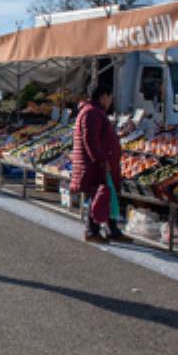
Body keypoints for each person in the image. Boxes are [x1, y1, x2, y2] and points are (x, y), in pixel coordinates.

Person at [70, 83, 127, 244]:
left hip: (98, 162)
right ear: (103, 97)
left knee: (108, 196)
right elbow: (91, 140)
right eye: (110, 98)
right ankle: (92, 230)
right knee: (100, 195)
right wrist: (101, 160)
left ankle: (112, 230)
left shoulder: (93, 112)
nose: (111, 101)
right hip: (96, 164)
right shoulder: (92, 113)